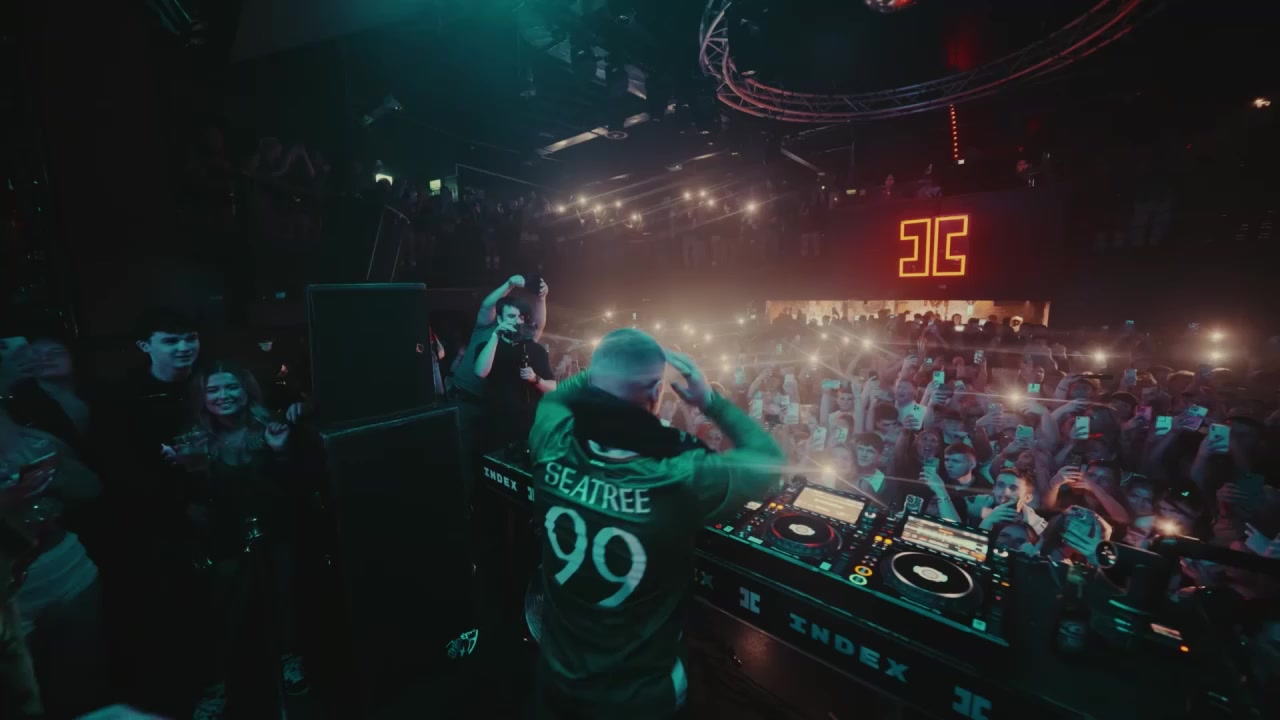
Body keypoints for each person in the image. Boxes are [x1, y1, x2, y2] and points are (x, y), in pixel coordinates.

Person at [528, 329, 784, 719]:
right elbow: (768, 459)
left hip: (557, 680)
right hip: (641, 699)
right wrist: (709, 400)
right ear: (656, 393)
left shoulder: (551, 442)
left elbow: (557, 398)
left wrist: (606, 367)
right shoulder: (679, 475)